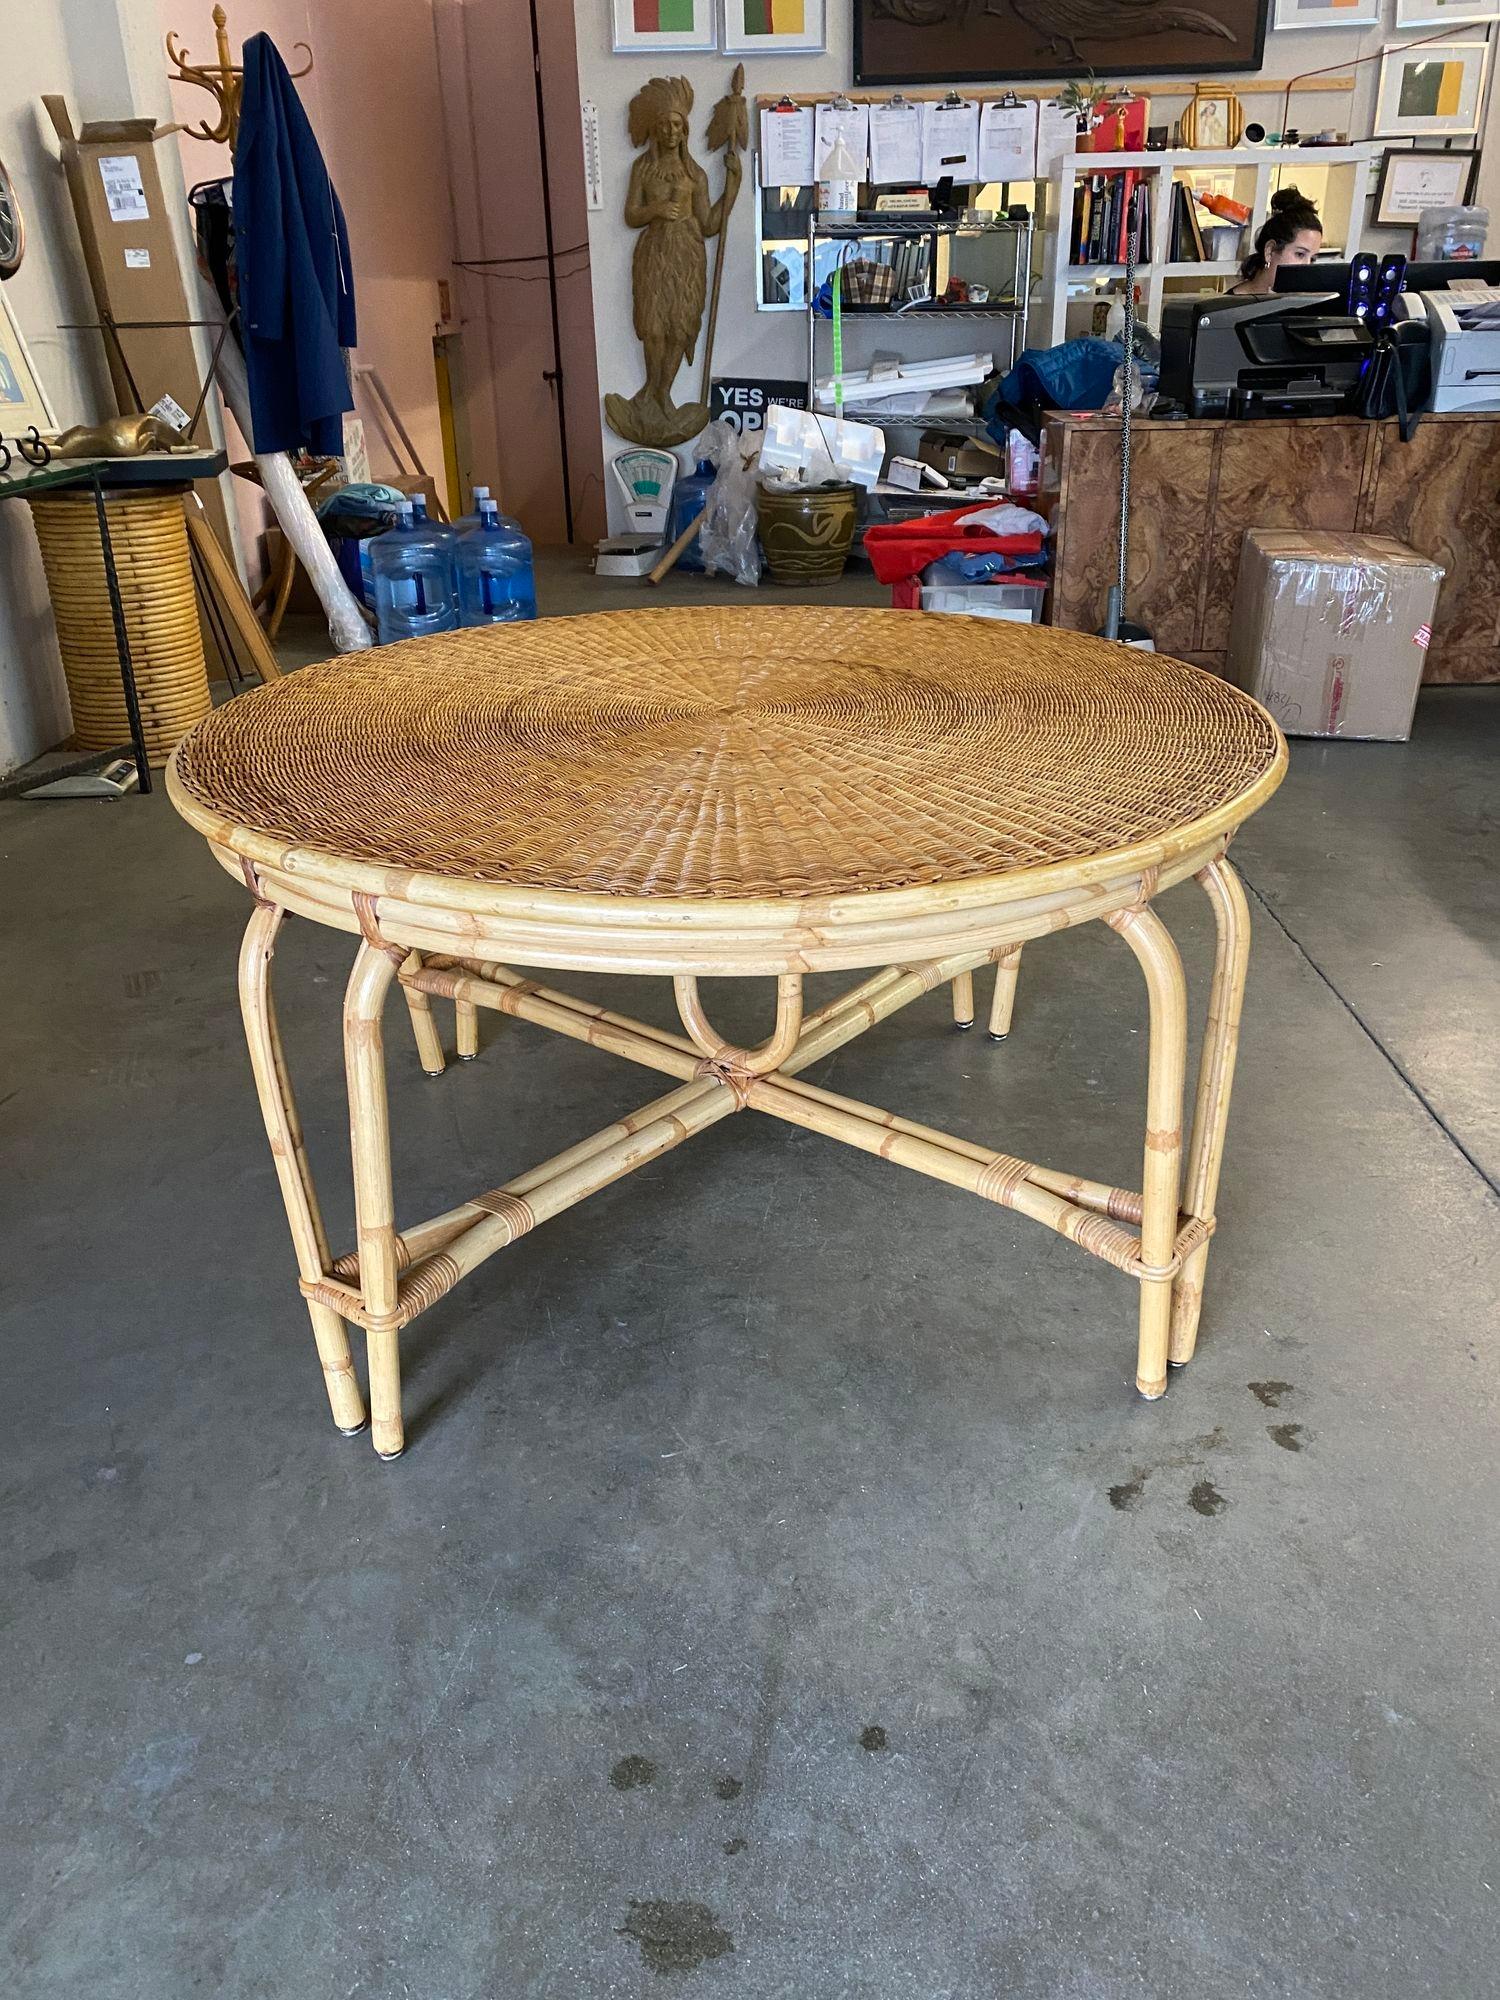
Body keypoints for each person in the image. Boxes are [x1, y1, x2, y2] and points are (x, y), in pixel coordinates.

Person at [1230, 187, 1323, 296]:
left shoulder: (1304, 303)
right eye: (1300, 254)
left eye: (1312, 259)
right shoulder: (1224, 309)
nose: (1307, 267)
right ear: (1270, 251)